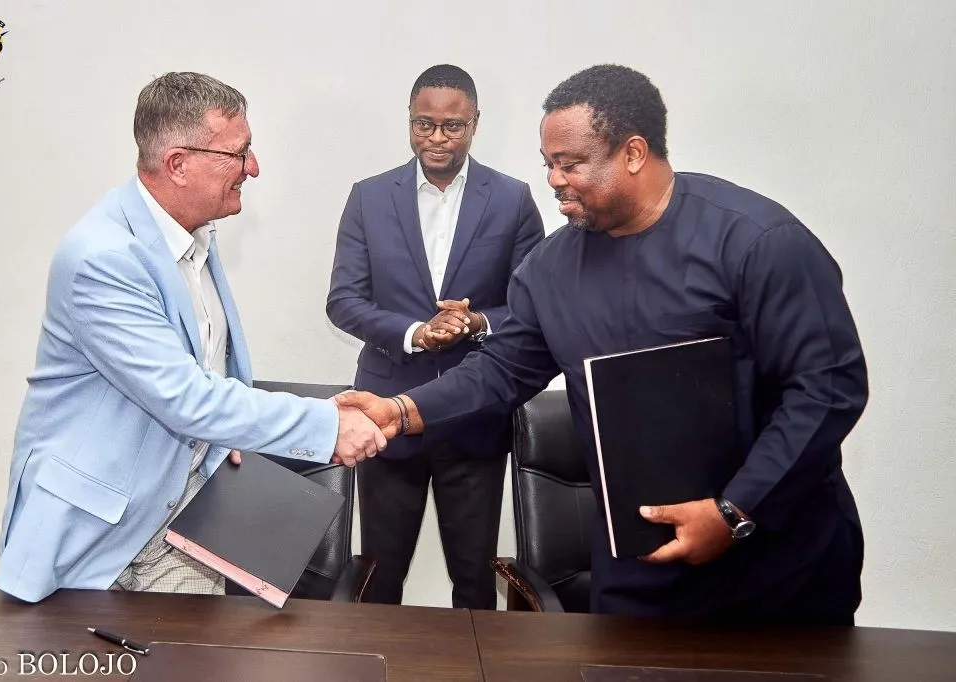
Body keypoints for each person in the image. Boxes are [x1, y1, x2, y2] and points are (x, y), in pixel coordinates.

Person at [336, 64, 868, 625]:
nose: (554, 180)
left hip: (775, 561)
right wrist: (402, 410)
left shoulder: (756, 242)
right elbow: (500, 371)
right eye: (548, 164)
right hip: (638, 565)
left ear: (633, 153)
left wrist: (735, 510)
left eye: (571, 164)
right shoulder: (551, 269)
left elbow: (827, 388)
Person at [0, 72, 385, 604]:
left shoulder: (193, 234)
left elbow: (210, 372)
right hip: (95, 535)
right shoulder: (103, 258)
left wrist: (265, 424)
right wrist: (324, 425)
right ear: (179, 164)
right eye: (239, 153)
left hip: (180, 519)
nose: (254, 167)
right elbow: (183, 397)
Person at [326, 64, 545, 609]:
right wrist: (416, 334)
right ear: (409, 120)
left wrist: (478, 322)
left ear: (474, 124)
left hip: (475, 416)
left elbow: (535, 306)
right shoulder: (369, 197)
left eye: (453, 126)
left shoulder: (513, 199)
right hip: (386, 413)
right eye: (424, 125)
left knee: (474, 582)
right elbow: (344, 300)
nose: (437, 139)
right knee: (379, 576)